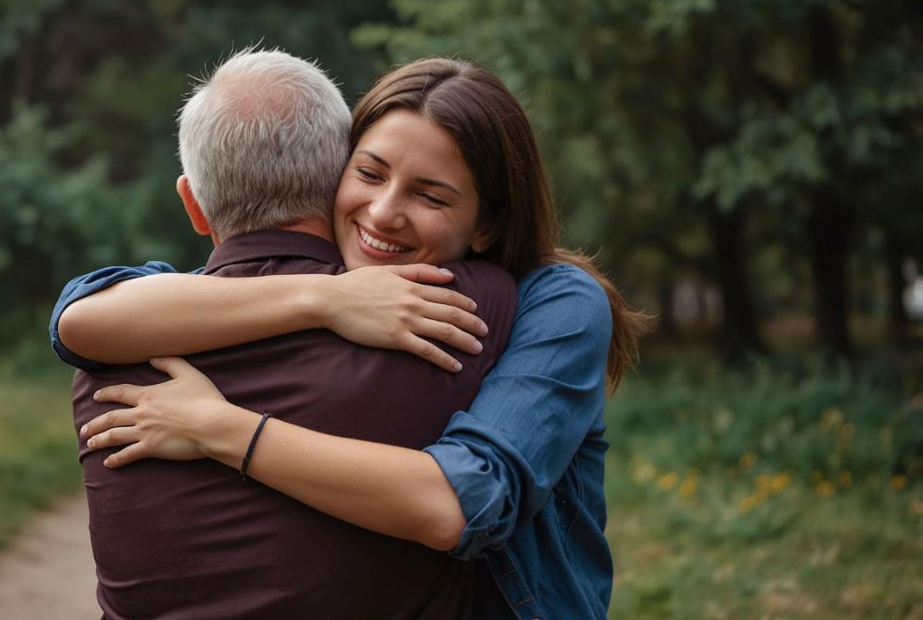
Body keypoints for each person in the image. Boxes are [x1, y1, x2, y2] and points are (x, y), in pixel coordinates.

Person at [56, 58, 649, 619]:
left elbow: (462, 500)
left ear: (488, 224)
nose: (384, 212)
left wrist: (222, 428)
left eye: (430, 195)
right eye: (368, 173)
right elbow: (79, 321)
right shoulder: (258, 302)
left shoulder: (540, 303)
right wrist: (328, 298)